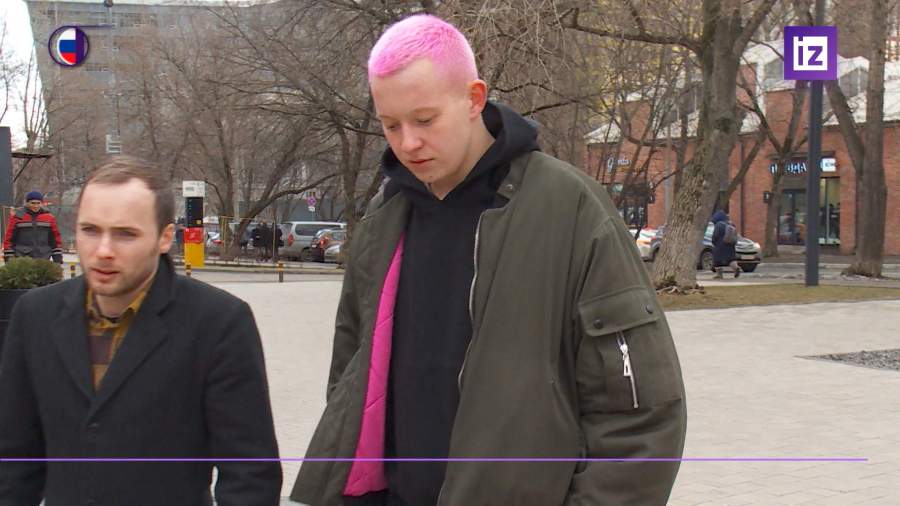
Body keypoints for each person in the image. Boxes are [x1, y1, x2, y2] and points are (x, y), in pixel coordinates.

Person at [291, 14, 686, 506]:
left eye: (425, 120)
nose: (408, 142)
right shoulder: (383, 218)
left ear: (474, 99)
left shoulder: (569, 208)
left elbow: (641, 414)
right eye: (391, 125)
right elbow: (349, 382)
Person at [0, 156, 282, 505]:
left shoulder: (218, 322)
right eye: (90, 230)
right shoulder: (35, 315)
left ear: (165, 237)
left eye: (125, 234)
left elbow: (250, 474)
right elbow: (13, 461)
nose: (103, 251)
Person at [2, 191, 64, 264]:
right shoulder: (18, 217)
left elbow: (55, 239)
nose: (36, 206)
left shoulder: (49, 218)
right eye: (33, 203)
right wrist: (9, 258)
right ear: (27, 203)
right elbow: (9, 239)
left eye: (38, 203)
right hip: (21, 259)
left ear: (42, 203)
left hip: (43, 258)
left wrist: (57, 257)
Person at [711, 210, 741, 279]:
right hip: (730, 245)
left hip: (720, 246)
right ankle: (736, 268)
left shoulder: (718, 225)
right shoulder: (731, 224)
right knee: (731, 259)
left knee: (717, 260)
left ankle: (719, 274)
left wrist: (713, 242)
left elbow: (715, 236)